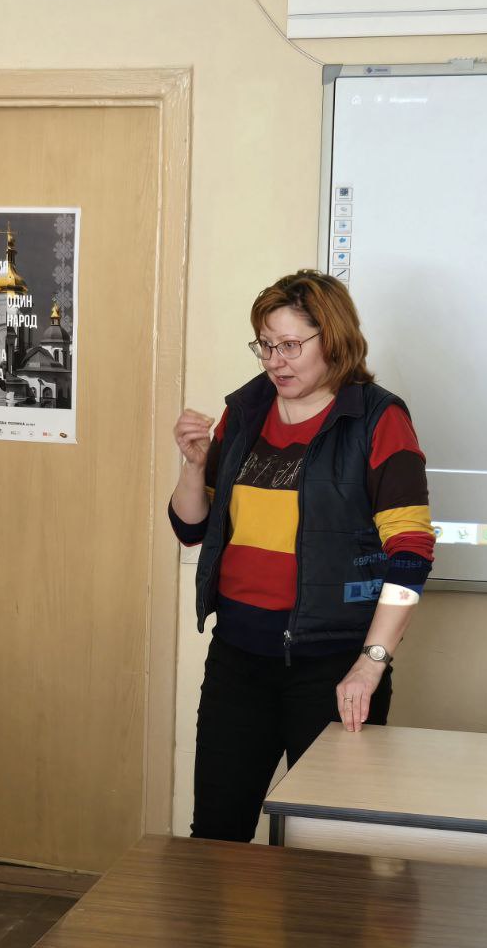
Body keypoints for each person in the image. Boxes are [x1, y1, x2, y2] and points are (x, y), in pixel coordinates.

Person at [170, 271, 434, 843]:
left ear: (332, 339)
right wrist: (194, 466)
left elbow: (411, 554)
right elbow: (192, 530)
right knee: (215, 835)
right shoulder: (245, 411)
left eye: (291, 345)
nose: (275, 361)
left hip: (333, 667)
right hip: (238, 658)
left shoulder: (378, 420)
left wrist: (371, 663)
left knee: (325, 846)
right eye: (266, 345)